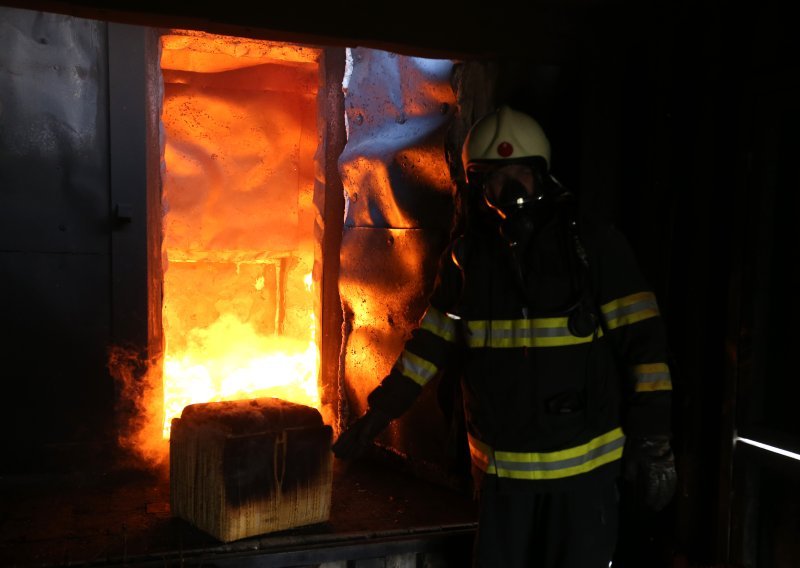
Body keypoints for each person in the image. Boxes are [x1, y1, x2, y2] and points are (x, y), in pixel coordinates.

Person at [332, 105, 677, 568]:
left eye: (519, 174)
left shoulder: (592, 247)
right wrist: (377, 417)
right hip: (502, 477)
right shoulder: (467, 260)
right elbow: (428, 349)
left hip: (584, 474)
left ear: (542, 175)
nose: (508, 189)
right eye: (494, 177)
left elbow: (645, 350)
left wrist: (653, 443)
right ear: (477, 186)